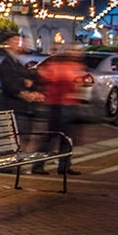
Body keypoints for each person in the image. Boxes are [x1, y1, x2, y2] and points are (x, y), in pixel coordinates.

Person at [30, 47, 84, 175]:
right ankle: (40, 165)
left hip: (64, 105)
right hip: (58, 105)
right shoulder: (61, 66)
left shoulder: (68, 66)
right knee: (53, 137)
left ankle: (62, 166)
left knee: (61, 138)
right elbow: (60, 81)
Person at [0, 31, 43, 133]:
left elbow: (24, 78)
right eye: (15, 41)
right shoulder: (6, 61)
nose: (18, 44)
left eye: (18, 41)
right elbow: (9, 82)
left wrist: (32, 89)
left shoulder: (16, 61)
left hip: (20, 106)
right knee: (16, 135)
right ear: (7, 43)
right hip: (13, 106)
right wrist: (23, 86)